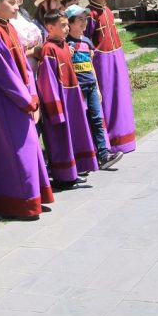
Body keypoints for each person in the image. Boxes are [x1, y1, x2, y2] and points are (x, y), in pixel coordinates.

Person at [0, 0, 54, 219]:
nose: (15, 6)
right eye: (11, 3)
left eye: (16, 2)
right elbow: (4, 74)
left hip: (22, 97)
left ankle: (34, 195)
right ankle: (20, 202)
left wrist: (33, 96)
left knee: (28, 146)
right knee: (17, 148)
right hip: (5, 100)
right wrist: (26, 100)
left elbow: (23, 67)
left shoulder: (8, 27)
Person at [36, 10, 99, 185]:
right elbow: (47, 81)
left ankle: (74, 171)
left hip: (72, 97)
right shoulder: (49, 49)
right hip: (60, 100)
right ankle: (64, 177)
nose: (66, 28)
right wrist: (55, 108)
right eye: (62, 25)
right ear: (50, 28)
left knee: (74, 135)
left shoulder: (64, 45)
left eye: (66, 24)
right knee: (61, 139)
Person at [65, 4, 122, 170]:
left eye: (85, 19)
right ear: (69, 23)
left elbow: (90, 65)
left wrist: (97, 87)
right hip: (77, 90)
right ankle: (80, 157)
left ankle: (103, 155)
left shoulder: (87, 42)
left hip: (91, 87)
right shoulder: (66, 44)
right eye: (79, 20)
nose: (83, 23)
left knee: (97, 119)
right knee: (80, 122)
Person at [84, 0, 137, 154]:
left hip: (117, 58)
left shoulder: (107, 10)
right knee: (108, 100)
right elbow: (86, 40)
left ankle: (125, 139)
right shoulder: (89, 14)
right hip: (102, 62)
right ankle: (111, 142)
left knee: (121, 97)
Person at [0, 0, 42, 73]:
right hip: (18, 72)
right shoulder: (3, 19)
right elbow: (6, 53)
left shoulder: (23, 13)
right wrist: (33, 52)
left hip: (35, 72)